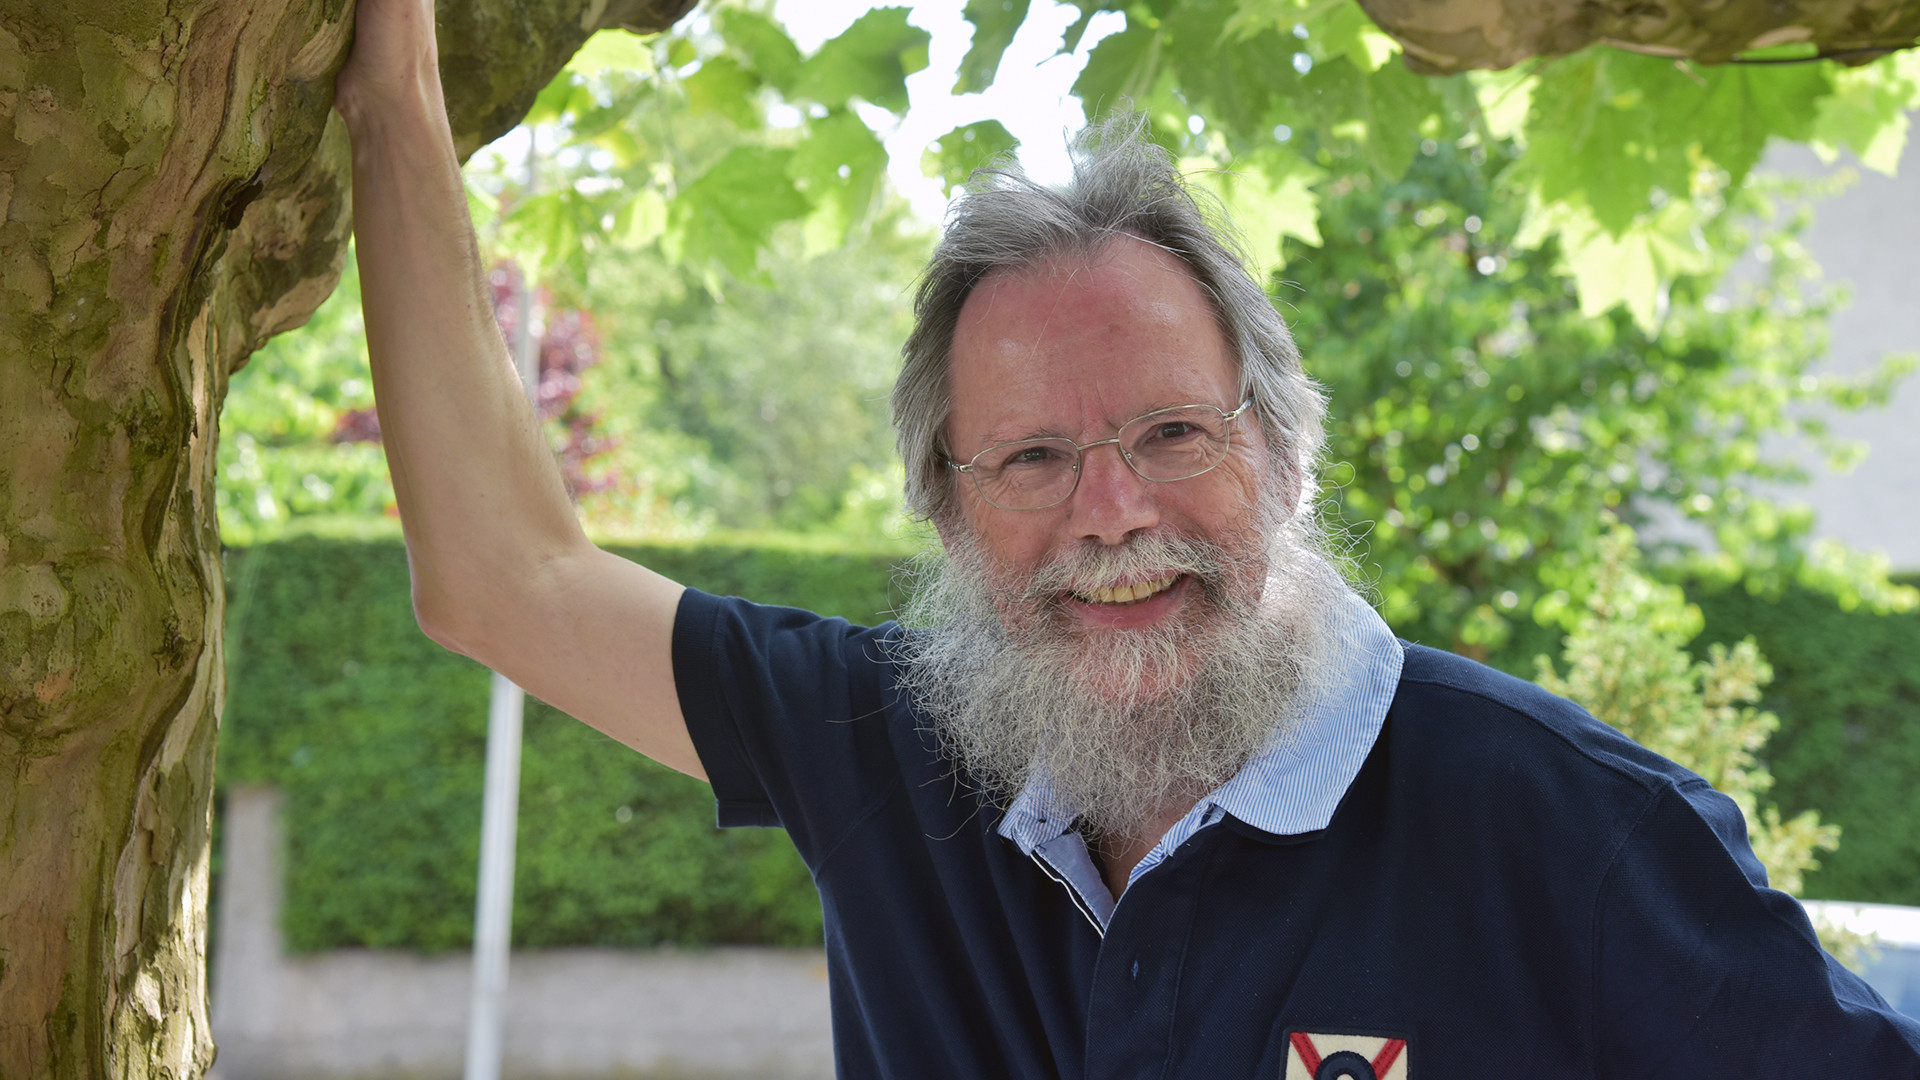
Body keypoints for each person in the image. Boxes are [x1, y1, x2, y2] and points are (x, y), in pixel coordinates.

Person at [335, 2, 1920, 1076]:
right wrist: (395, 103)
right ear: (950, 510)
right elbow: (504, 576)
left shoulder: (1567, 831)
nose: (1113, 515)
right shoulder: (894, 749)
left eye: (1172, 433)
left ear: (1286, 450)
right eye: (1032, 456)